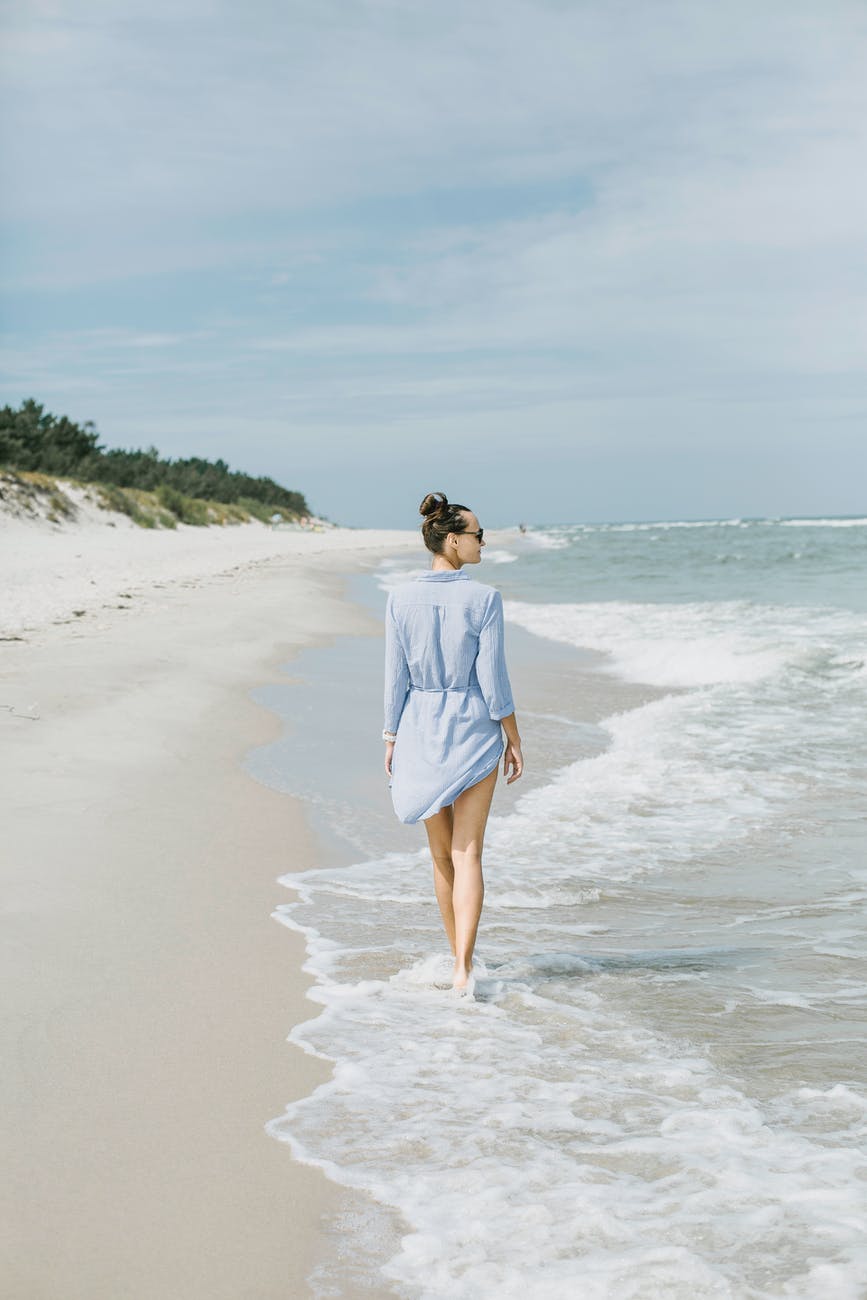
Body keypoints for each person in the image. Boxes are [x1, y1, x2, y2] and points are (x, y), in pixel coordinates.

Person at [383, 492, 524, 989]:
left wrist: (390, 736)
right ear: (453, 539)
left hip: (420, 727)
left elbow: (394, 677)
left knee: (442, 856)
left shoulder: (399, 598)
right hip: (472, 727)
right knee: (470, 855)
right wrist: (513, 736)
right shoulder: (485, 599)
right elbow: (493, 679)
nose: (484, 542)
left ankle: (454, 958)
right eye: (478, 535)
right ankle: (465, 966)